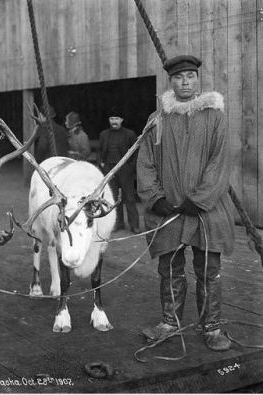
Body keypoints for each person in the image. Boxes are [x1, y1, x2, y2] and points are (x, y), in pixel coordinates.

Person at [136, 54, 234, 351]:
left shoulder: (215, 116)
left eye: (190, 76)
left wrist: (200, 199)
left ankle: (212, 327)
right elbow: (145, 163)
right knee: (169, 269)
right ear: (171, 82)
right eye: (179, 77)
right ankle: (170, 323)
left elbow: (220, 162)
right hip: (171, 212)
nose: (185, 82)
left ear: (197, 79)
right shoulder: (158, 120)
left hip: (207, 210)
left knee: (208, 270)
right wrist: (156, 198)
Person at [99, 107, 140, 233]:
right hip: (110, 169)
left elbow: (135, 154)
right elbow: (100, 151)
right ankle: (118, 223)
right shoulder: (104, 134)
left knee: (129, 198)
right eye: (112, 119)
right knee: (114, 197)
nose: (114, 121)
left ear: (122, 120)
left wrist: (130, 169)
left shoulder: (130, 134)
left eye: (116, 118)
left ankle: (134, 225)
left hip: (124, 169)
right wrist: (102, 165)